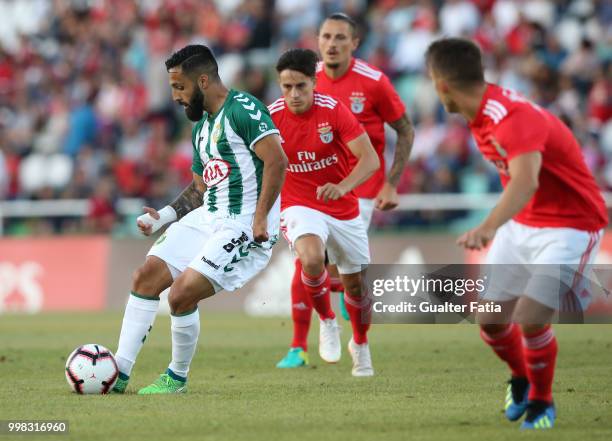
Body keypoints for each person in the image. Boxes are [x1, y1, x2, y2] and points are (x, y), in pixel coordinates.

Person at [425, 38, 607, 429]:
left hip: (570, 225)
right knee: (488, 319)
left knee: (530, 318)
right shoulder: (479, 114)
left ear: (441, 83)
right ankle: (523, 378)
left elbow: (525, 181)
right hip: (524, 223)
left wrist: (487, 226)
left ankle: (542, 403)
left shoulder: (510, 117)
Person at [112, 44, 287, 394]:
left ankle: (176, 378)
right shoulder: (202, 129)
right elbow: (198, 189)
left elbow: (277, 161)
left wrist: (260, 217)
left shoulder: (244, 110)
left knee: (181, 294)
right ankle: (118, 372)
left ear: (203, 80)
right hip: (209, 216)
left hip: (243, 224)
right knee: (145, 276)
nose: (175, 96)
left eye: (180, 87)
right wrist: (161, 217)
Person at [276, 12, 415, 369]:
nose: (332, 44)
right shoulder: (305, 79)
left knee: (347, 276)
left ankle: (359, 337)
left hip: (360, 190)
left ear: (354, 43)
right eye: (326, 37)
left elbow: (405, 130)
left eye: (340, 38)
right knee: (308, 259)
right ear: (317, 41)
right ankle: (300, 343)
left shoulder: (373, 82)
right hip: (307, 193)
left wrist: (391, 182)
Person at [270, 48, 380, 376]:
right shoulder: (271, 117)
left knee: (356, 286)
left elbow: (370, 160)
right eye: (286, 87)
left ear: (314, 83)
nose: (293, 94)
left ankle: (360, 343)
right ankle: (328, 321)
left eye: (301, 86)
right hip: (299, 204)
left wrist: (343, 187)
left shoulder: (334, 111)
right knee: (311, 258)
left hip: (342, 207)